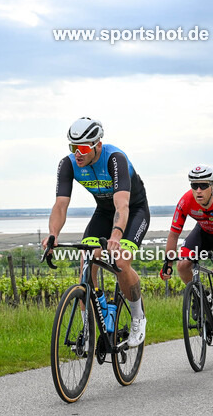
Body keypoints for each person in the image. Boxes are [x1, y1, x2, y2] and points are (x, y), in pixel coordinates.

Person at [45, 117, 150, 347]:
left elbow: (122, 205)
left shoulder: (115, 159)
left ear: (97, 146)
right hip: (104, 212)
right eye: (73, 148)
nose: (77, 154)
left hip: (133, 213)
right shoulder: (69, 164)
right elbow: (60, 205)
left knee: (120, 261)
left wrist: (116, 235)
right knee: (86, 259)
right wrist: (53, 234)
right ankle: (89, 324)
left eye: (83, 148)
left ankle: (137, 316)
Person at [160, 165, 213, 351]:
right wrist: (168, 262)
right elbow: (174, 234)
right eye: (194, 185)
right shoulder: (186, 201)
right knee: (182, 266)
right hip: (203, 234)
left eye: (203, 185)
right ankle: (199, 296)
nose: (198, 190)